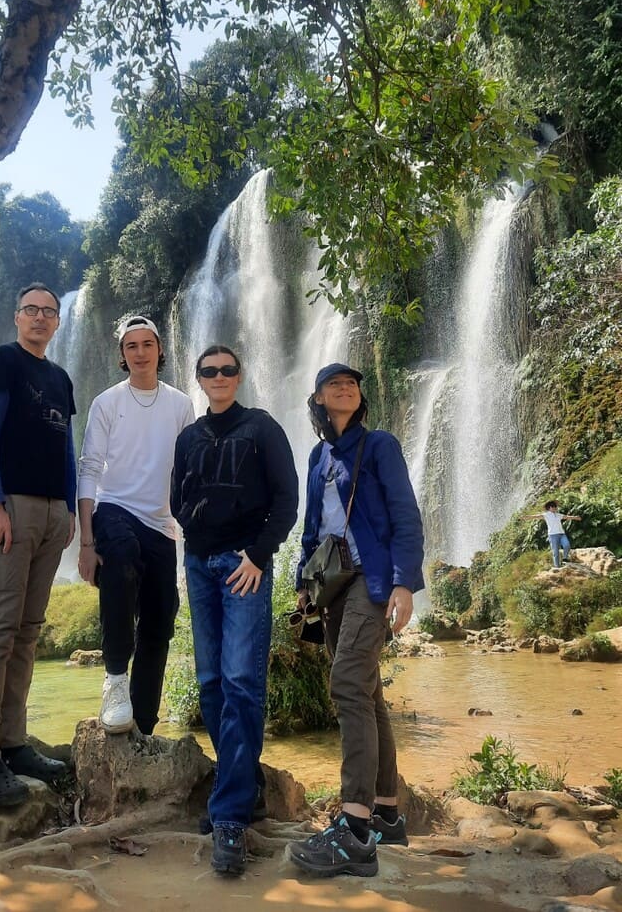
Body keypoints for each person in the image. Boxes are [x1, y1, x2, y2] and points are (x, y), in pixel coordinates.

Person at [288, 362, 424, 878]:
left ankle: (354, 830)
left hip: (373, 581)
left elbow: (405, 513)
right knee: (367, 694)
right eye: (333, 384)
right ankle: (387, 813)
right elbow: (311, 527)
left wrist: (404, 582)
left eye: (352, 384)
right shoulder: (318, 456)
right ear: (319, 398)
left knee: (346, 684)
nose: (345, 389)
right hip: (333, 588)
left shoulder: (380, 445)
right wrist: (304, 584)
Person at [171, 345, 299, 876]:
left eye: (227, 370)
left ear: (239, 376)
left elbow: (287, 498)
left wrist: (257, 554)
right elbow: (178, 496)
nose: (218, 377)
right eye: (209, 371)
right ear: (199, 379)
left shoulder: (262, 428)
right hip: (200, 565)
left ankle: (228, 818)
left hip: (244, 565)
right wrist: (194, 535)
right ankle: (238, 791)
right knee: (211, 684)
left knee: (242, 681)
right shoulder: (189, 437)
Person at [0, 283, 76, 806]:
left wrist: (70, 507)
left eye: (48, 313)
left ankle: (13, 741)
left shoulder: (60, 377)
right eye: (31, 310)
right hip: (12, 505)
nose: (40, 318)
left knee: (28, 631)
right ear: (17, 316)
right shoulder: (2, 362)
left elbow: (66, 447)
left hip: (53, 512)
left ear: (56, 322)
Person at [77, 316, 194, 737]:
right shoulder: (107, 402)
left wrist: (191, 531)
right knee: (121, 558)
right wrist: (86, 542)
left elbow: (187, 471)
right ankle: (114, 679)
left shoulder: (181, 404)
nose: (140, 352)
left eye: (147, 344)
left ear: (160, 350)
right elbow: (89, 468)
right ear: (122, 354)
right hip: (114, 508)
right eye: (132, 346)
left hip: (161, 524)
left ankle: (143, 723)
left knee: (162, 617)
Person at [524, 500, 581, 568]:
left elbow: (567, 517)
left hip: (562, 534)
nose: (555, 508)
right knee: (555, 551)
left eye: (555, 506)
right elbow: (536, 516)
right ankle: (557, 566)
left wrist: (575, 517)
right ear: (549, 508)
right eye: (553, 506)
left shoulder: (558, 515)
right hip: (553, 535)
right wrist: (527, 517)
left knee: (567, 545)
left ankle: (565, 558)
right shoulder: (546, 515)